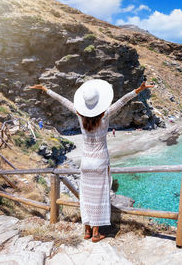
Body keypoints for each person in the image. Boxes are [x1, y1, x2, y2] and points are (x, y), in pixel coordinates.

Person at [29, 79, 154, 242]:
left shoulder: (80, 116)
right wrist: (139, 89)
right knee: (100, 196)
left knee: (86, 195)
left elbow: (63, 101)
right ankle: (96, 233)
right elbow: (123, 101)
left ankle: (86, 230)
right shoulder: (105, 115)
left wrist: (46, 89)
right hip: (100, 161)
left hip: (86, 161)